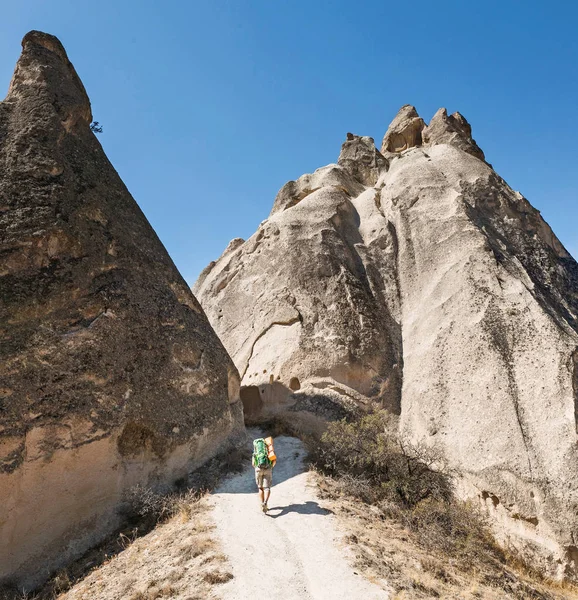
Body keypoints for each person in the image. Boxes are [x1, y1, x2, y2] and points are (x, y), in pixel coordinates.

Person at [252, 437, 276, 513]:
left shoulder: (256, 453)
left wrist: (257, 467)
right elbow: (274, 461)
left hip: (258, 469)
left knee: (260, 488)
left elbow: (253, 464)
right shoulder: (269, 450)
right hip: (268, 469)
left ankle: (262, 503)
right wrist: (271, 466)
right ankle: (265, 502)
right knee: (267, 488)